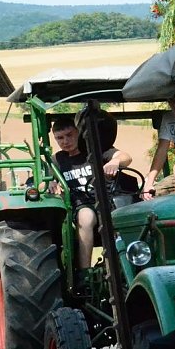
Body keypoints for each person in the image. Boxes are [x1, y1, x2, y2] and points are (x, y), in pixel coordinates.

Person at [49, 115, 132, 293]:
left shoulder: (95, 150)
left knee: (122, 215)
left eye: (69, 135)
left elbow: (126, 157)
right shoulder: (57, 160)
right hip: (82, 204)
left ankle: (127, 266)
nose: (65, 141)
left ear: (78, 133)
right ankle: (84, 274)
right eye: (60, 138)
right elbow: (41, 181)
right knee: (86, 218)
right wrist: (50, 184)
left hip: (106, 202)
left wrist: (115, 161)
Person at [141, 97, 175, 199]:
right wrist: (149, 183)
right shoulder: (168, 118)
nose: (174, 104)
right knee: (151, 195)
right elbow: (161, 151)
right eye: (171, 100)